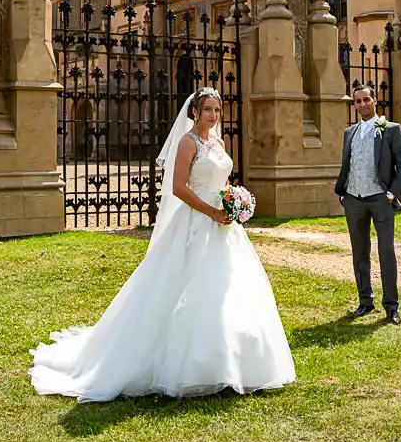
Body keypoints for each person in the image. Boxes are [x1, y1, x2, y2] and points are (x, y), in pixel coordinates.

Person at [29, 87, 295, 401]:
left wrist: (233, 201)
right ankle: (187, 362)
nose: (213, 115)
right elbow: (179, 187)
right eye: (207, 109)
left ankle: (235, 358)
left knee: (229, 287)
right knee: (188, 284)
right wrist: (210, 211)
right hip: (196, 221)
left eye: (217, 110)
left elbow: (222, 181)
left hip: (224, 225)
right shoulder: (187, 142)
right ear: (194, 112)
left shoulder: (219, 143)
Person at [335, 85, 401, 325]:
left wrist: (390, 194)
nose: (363, 104)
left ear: (375, 100)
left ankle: (391, 306)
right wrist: (344, 195)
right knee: (360, 252)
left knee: (386, 250)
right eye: (358, 101)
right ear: (354, 105)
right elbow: (348, 163)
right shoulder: (349, 132)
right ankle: (365, 301)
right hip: (353, 198)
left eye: (366, 99)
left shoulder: (391, 129)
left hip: (380, 199)